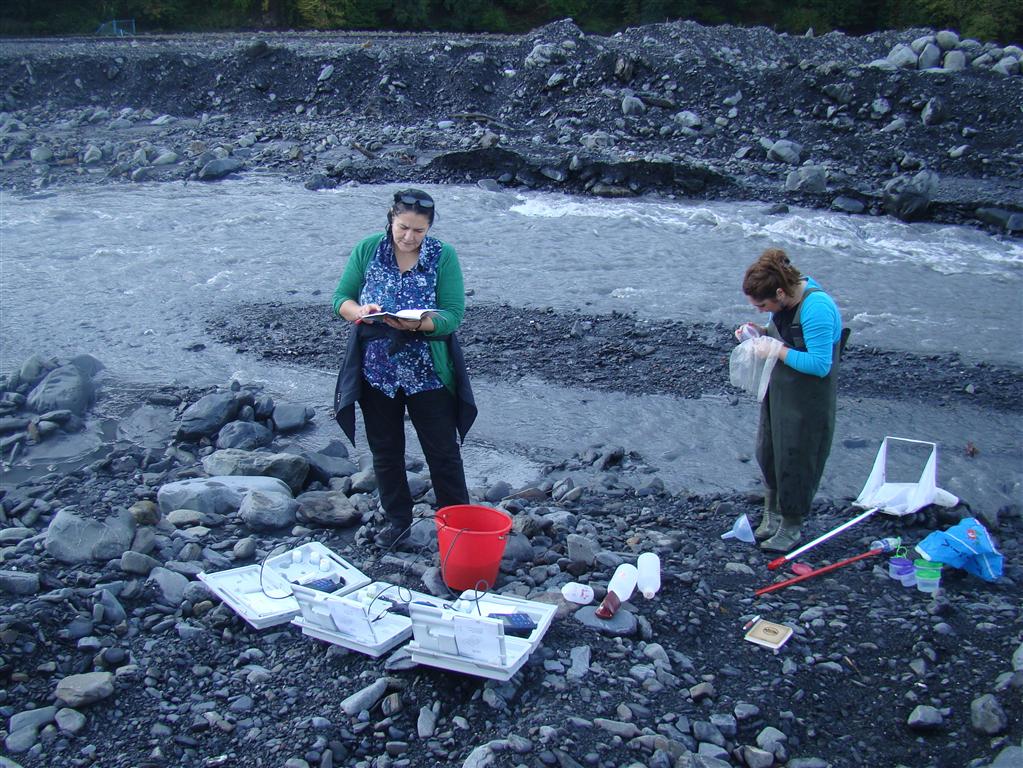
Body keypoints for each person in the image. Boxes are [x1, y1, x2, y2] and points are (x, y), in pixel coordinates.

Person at [332, 189, 476, 550]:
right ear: (390, 219)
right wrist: (359, 312)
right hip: (377, 372)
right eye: (403, 227)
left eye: (419, 231)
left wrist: (419, 325)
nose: (409, 237)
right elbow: (341, 299)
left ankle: (456, 524)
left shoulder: (444, 256)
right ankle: (398, 520)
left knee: (443, 452)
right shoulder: (368, 249)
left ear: (429, 229)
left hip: (428, 371)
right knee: (385, 450)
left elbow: (453, 315)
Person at [738, 248, 845, 553]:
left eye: (762, 305)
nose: (760, 309)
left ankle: (791, 525)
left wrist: (776, 350)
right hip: (780, 390)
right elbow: (779, 332)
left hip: (808, 400)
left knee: (797, 458)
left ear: (781, 293)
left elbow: (820, 365)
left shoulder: (817, 309)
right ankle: (772, 516)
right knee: (769, 451)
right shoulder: (782, 303)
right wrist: (759, 332)